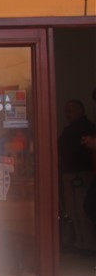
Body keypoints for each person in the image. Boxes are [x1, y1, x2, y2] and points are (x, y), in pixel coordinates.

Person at [58, 99, 96, 250]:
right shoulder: (69, 130)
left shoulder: (87, 128)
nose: (67, 114)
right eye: (66, 110)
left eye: (70, 110)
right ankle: (80, 243)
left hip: (81, 173)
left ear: (80, 110)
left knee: (83, 209)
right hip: (69, 173)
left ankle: (89, 245)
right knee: (72, 210)